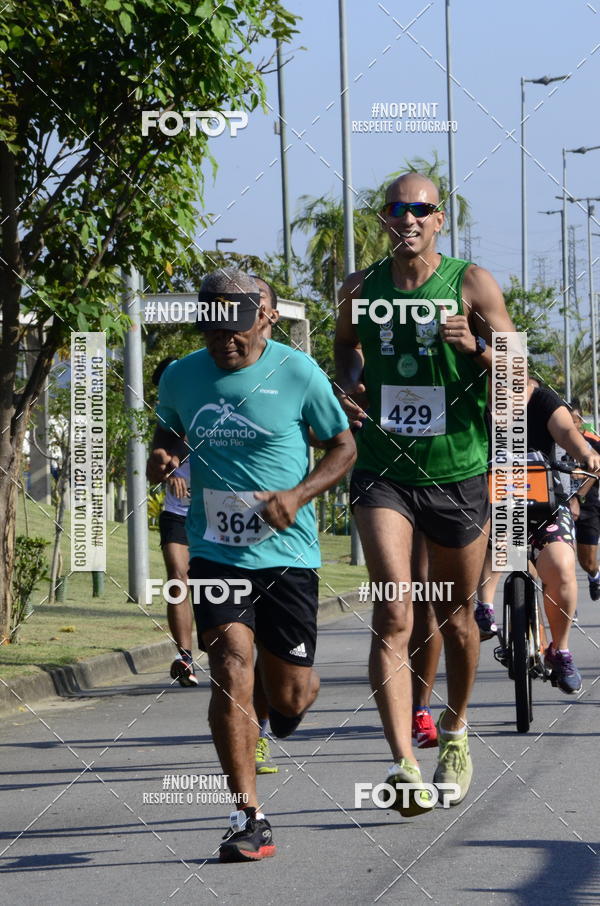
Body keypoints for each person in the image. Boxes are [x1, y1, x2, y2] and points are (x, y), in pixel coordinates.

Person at [147, 269, 355, 861]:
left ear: (263, 318)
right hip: (215, 549)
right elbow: (172, 428)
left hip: (288, 554)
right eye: (213, 334)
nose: (224, 344)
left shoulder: (297, 372)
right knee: (230, 662)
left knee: (288, 695)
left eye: (235, 331)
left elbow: (343, 447)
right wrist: (164, 452)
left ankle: (283, 702)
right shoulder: (183, 375)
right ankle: (249, 816)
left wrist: (299, 494)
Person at [335, 172, 516, 814]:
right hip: (384, 471)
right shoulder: (360, 288)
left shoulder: (471, 283)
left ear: (440, 219)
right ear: (383, 219)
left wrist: (480, 349)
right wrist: (349, 388)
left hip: (458, 471)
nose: (407, 218)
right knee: (394, 612)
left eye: (421, 209)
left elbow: (520, 376)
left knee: (458, 618)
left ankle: (458, 730)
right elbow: (346, 353)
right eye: (396, 209)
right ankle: (404, 765)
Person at [151, 357, 197, 687]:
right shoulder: (166, 419)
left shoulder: (212, 401)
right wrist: (164, 467)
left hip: (219, 514)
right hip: (177, 512)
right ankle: (185, 656)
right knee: (177, 575)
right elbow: (158, 459)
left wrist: (177, 456)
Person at [570, 404, 600, 601]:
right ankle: (566, 602)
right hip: (557, 505)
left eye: (572, 422)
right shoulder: (552, 438)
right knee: (561, 561)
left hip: (587, 505)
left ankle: (594, 575)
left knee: (586, 561)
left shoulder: (593, 442)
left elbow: (598, 470)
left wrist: (579, 496)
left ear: (580, 421)